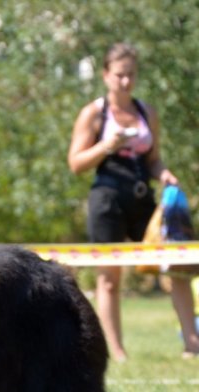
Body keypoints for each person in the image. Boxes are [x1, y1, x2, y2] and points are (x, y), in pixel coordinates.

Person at [68, 42, 199, 361]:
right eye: (120, 75)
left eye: (131, 75)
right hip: (107, 198)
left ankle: (192, 345)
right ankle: (116, 351)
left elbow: (153, 159)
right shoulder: (93, 114)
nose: (126, 82)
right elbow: (75, 163)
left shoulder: (146, 113)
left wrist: (164, 172)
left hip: (144, 198)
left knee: (177, 266)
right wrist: (106, 146)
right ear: (106, 75)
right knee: (109, 279)